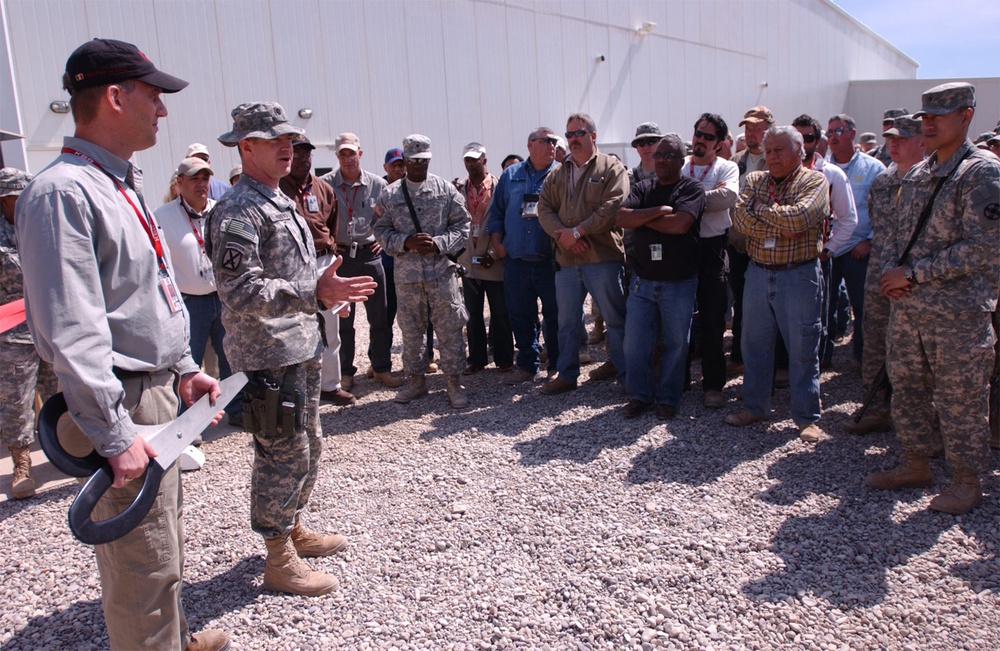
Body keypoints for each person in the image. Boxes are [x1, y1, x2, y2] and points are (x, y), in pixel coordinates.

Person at [15, 38, 228, 651]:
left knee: (161, 541)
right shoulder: (64, 194)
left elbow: (148, 292)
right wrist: (112, 433)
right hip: (123, 404)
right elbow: (72, 328)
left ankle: (173, 637)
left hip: (153, 393)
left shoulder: (117, 184)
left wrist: (185, 367)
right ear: (114, 96)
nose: (162, 111)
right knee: (142, 562)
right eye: (153, 96)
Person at [208, 102, 376, 595]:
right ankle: (277, 555)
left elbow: (297, 274)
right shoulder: (238, 210)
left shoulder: (279, 200)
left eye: (291, 141)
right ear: (245, 148)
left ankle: (293, 525)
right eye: (274, 141)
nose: (288, 148)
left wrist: (327, 298)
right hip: (264, 356)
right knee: (280, 453)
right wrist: (312, 295)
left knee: (308, 445)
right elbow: (239, 291)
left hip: (298, 345)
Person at [866, 83, 1000, 514]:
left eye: (938, 115)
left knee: (960, 398)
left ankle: (966, 480)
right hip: (909, 307)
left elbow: (985, 246)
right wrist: (892, 274)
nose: (928, 122)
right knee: (907, 388)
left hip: (958, 312)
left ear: (966, 116)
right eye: (924, 115)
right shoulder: (919, 173)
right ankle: (916, 462)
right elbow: (895, 236)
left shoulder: (981, 172)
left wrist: (914, 273)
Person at [725, 126, 829, 443]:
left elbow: (800, 218)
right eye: (769, 151)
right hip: (758, 272)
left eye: (780, 150)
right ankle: (755, 406)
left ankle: (807, 417)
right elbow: (739, 219)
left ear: (800, 151)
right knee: (754, 346)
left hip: (798, 274)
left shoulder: (814, 180)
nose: (772, 156)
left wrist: (762, 213)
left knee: (802, 349)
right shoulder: (756, 180)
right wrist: (779, 221)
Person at [374, 134, 471, 408]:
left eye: (423, 160)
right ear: (405, 160)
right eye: (413, 160)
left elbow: (463, 225)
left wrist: (439, 244)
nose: (419, 165)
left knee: (451, 328)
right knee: (412, 331)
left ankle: (454, 382)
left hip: (441, 273)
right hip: (408, 277)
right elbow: (380, 230)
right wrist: (405, 242)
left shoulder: (445, 190)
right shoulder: (390, 194)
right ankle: (416, 381)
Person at [537, 113, 629, 394]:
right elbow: (544, 208)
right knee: (566, 321)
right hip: (567, 260)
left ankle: (627, 374)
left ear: (593, 135)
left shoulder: (611, 167)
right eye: (570, 134)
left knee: (615, 319)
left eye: (579, 133)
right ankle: (567, 374)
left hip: (601, 259)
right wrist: (563, 236)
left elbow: (614, 205)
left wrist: (577, 232)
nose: (574, 139)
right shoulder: (558, 173)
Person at [845, 114, 924, 435]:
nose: (893, 145)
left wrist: (909, 275)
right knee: (875, 342)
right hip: (880, 275)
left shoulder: (933, 181)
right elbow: (880, 230)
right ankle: (876, 408)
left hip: (915, 283)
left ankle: (919, 424)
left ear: (922, 141)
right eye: (890, 139)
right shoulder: (884, 182)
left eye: (901, 139)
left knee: (916, 354)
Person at [618, 135, 706, 420]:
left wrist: (641, 218)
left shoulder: (691, 189)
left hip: (679, 282)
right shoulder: (644, 187)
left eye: (668, 155)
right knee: (635, 343)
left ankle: (668, 397)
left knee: (676, 343)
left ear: (682, 160)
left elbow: (681, 225)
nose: (661, 160)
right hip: (643, 280)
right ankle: (640, 395)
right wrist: (657, 212)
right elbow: (621, 218)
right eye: (658, 155)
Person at [154, 157, 242, 427]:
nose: (201, 184)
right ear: (179, 183)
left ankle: (237, 411)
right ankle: (189, 424)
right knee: (187, 365)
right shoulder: (162, 216)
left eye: (205, 178)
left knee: (232, 358)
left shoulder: (223, 210)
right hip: (188, 302)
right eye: (194, 179)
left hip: (222, 297)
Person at [278, 134, 355, 405]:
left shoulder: (323, 189)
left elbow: (332, 225)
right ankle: (297, 389)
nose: (302, 159)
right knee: (294, 329)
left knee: (330, 329)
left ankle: (330, 386)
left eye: (307, 154)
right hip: (292, 267)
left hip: (322, 262)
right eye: (296, 153)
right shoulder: (276, 188)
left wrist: (328, 253)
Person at [321, 133, 401, 389]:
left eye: (351, 153)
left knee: (379, 317)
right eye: (342, 154)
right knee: (343, 318)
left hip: (370, 256)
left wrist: (381, 236)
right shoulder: (325, 185)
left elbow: (391, 216)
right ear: (337, 156)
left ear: (360, 153)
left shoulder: (378, 185)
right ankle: (345, 373)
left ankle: (381, 368)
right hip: (340, 257)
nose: (347, 158)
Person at [1, 168, 58, 499]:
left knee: (60, 393)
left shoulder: (40, 228)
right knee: (16, 403)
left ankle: (67, 451)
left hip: (47, 326)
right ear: (6, 198)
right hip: (11, 334)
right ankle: (22, 465)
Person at [488, 127, 561, 385]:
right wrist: (498, 243)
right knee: (520, 315)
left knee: (555, 315)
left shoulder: (561, 174)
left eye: (553, 141)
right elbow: (496, 213)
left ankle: (557, 364)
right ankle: (528, 365)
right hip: (516, 261)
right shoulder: (510, 175)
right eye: (545, 141)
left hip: (550, 262)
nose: (551, 145)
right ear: (530, 145)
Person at [682, 113, 739, 408]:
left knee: (713, 319)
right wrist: (705, 196)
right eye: (698, 133)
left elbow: (728, 197)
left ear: (719, 144)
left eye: (708, 137)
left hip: (713, 248)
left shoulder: (726, 167)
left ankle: (713, 385)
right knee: (678, 317)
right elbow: (667, 193)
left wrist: (686, 198)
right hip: (681, 247)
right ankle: (677, 380)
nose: (700, 140)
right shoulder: (681, 166)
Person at [824, 114, 885, 365]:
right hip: (827, 248)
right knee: (823, 307)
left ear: (852, 133)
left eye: (838, 130)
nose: (832, 137)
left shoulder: (874, 168)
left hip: (857, 249)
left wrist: (870, 240)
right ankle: (822, 357)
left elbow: (884, 211)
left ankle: (862, 359)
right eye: (829, 133)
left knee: (862, 309)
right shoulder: (822, 168)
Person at [456, 142, 513, 375]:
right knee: (472, 314)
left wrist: (493, 253)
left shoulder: (500, 187)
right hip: (469, 261)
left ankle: (504, 359)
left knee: (500, 312)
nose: (471, 164)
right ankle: (477, 358)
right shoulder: (458, 190)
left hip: (494, 260)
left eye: (475, 159)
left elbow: (509, 223)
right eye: (467, 160)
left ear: (484, 160)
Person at [727, 106, 775, 376]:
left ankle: (771, 360)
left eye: (757, 128)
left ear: (769, 128)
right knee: (741, 302)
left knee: (770, 304)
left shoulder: (778, 159)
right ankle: (739, 353)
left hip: (769, 247)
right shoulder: (736, 161)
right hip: (738, 245)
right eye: (748, 128)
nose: (752, 133)